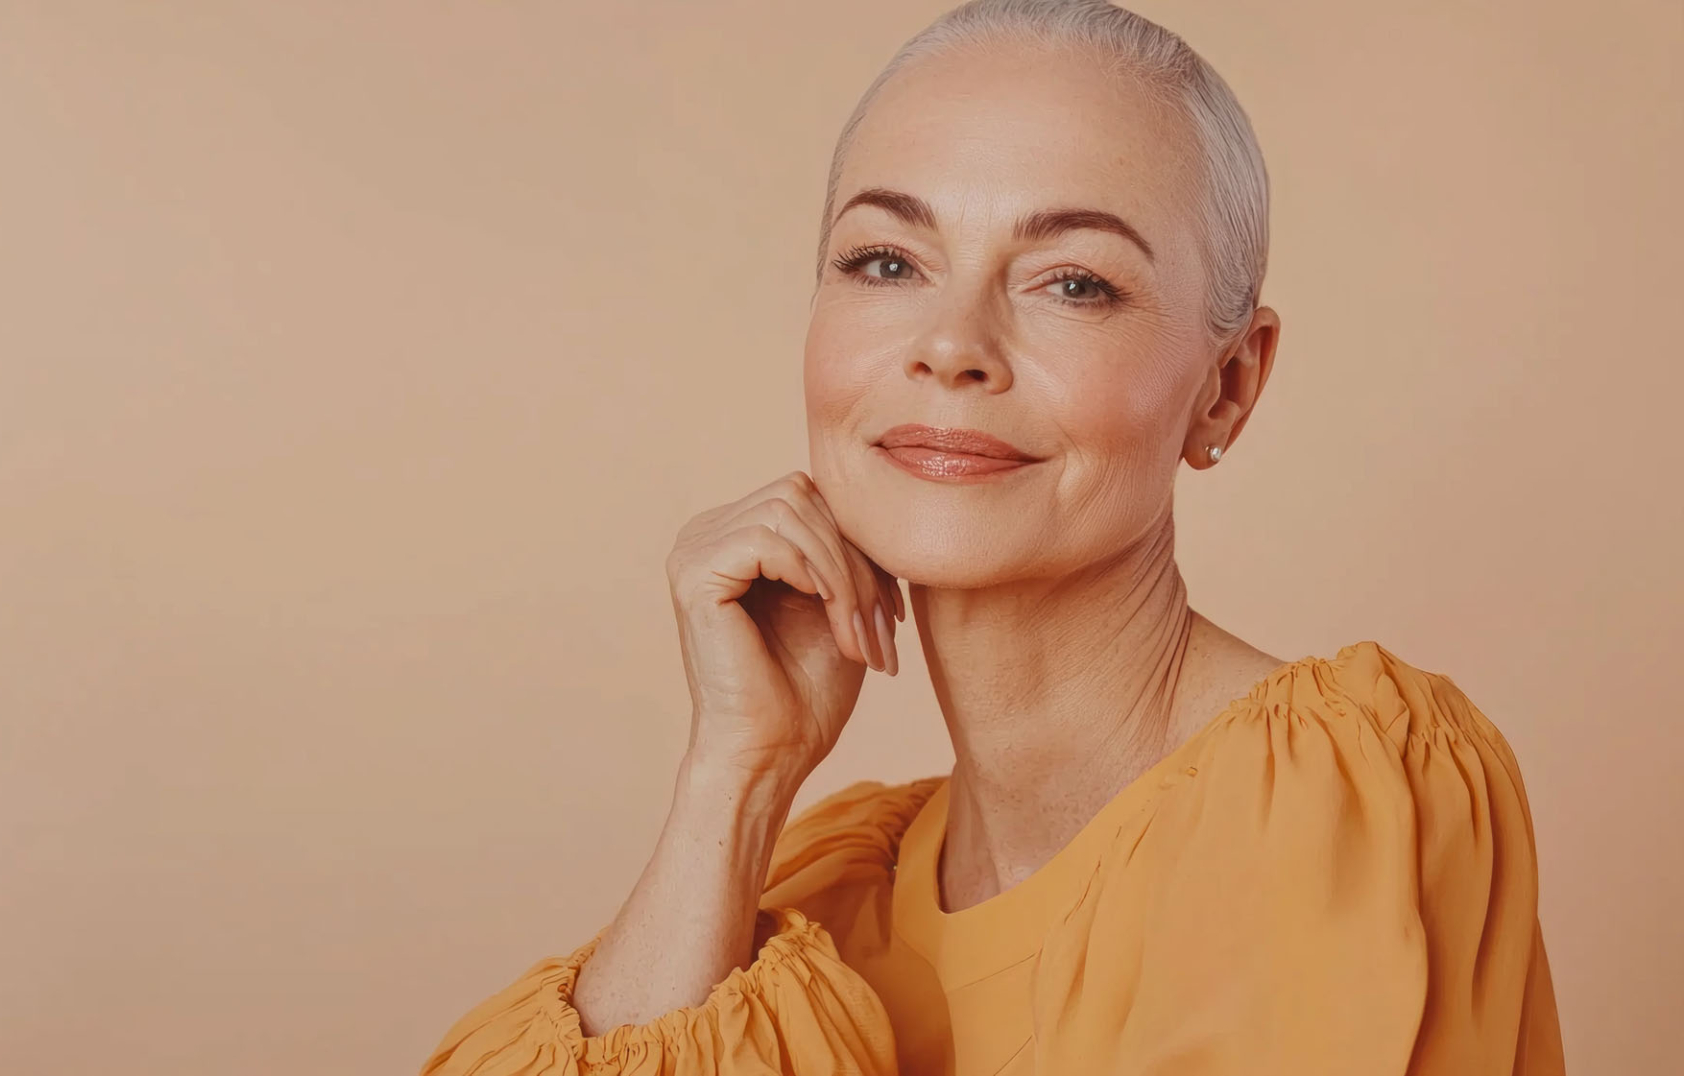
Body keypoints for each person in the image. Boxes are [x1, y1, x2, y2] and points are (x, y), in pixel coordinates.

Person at [421, 0, 1565, 1072]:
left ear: (1226, 386)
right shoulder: (818, 898)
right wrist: (737, 775)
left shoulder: (1342, 789)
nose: (951, 344)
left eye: (1072, 282)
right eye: (886, 261)